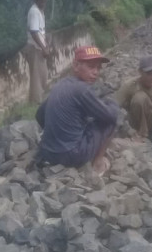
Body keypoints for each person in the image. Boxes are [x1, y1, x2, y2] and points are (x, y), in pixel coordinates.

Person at [35, 46, 118, 174]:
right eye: (91, 66)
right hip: (70, 156)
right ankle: (98, 163)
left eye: (98, 67)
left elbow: (39, 115)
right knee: (110, 122)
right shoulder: (82, 89)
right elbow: (110, 116)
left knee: (89, 121)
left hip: (47, 152)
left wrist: (57, 135)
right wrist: (112, 103)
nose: (96, 72)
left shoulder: (60, 84)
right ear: (76, 65)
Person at [25, 0, 51, 104]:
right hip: (35, 48)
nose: (43, 0)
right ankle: (36, 102)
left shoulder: (40, 11)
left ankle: (39, 101)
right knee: (37, 77)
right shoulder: (34, 11)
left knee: (42, 75)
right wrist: (43, 47)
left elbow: (39, 31)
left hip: (38, 47)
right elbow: (34, 31)